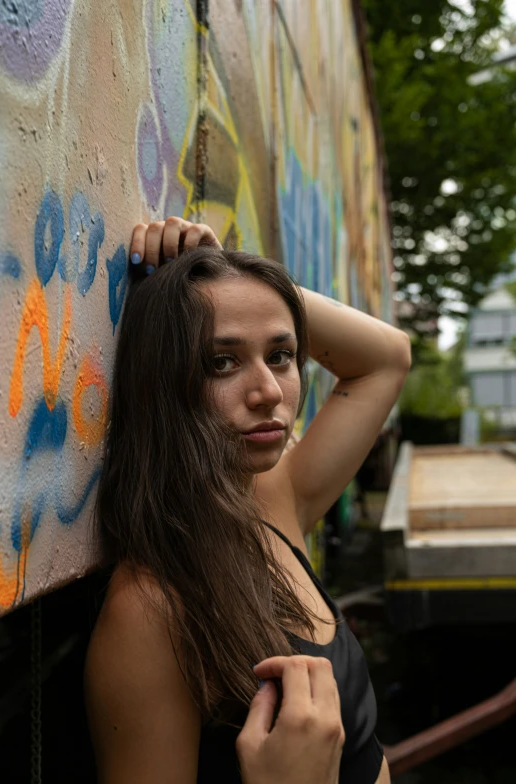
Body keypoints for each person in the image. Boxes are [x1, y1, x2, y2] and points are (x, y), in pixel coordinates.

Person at [84, 216, 410, 783]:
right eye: (222, 362)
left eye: (281, 355)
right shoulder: (150, 611)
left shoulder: (275, 498)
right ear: (164, 382)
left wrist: (231, 271)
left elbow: (387, 357)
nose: (267, 393)